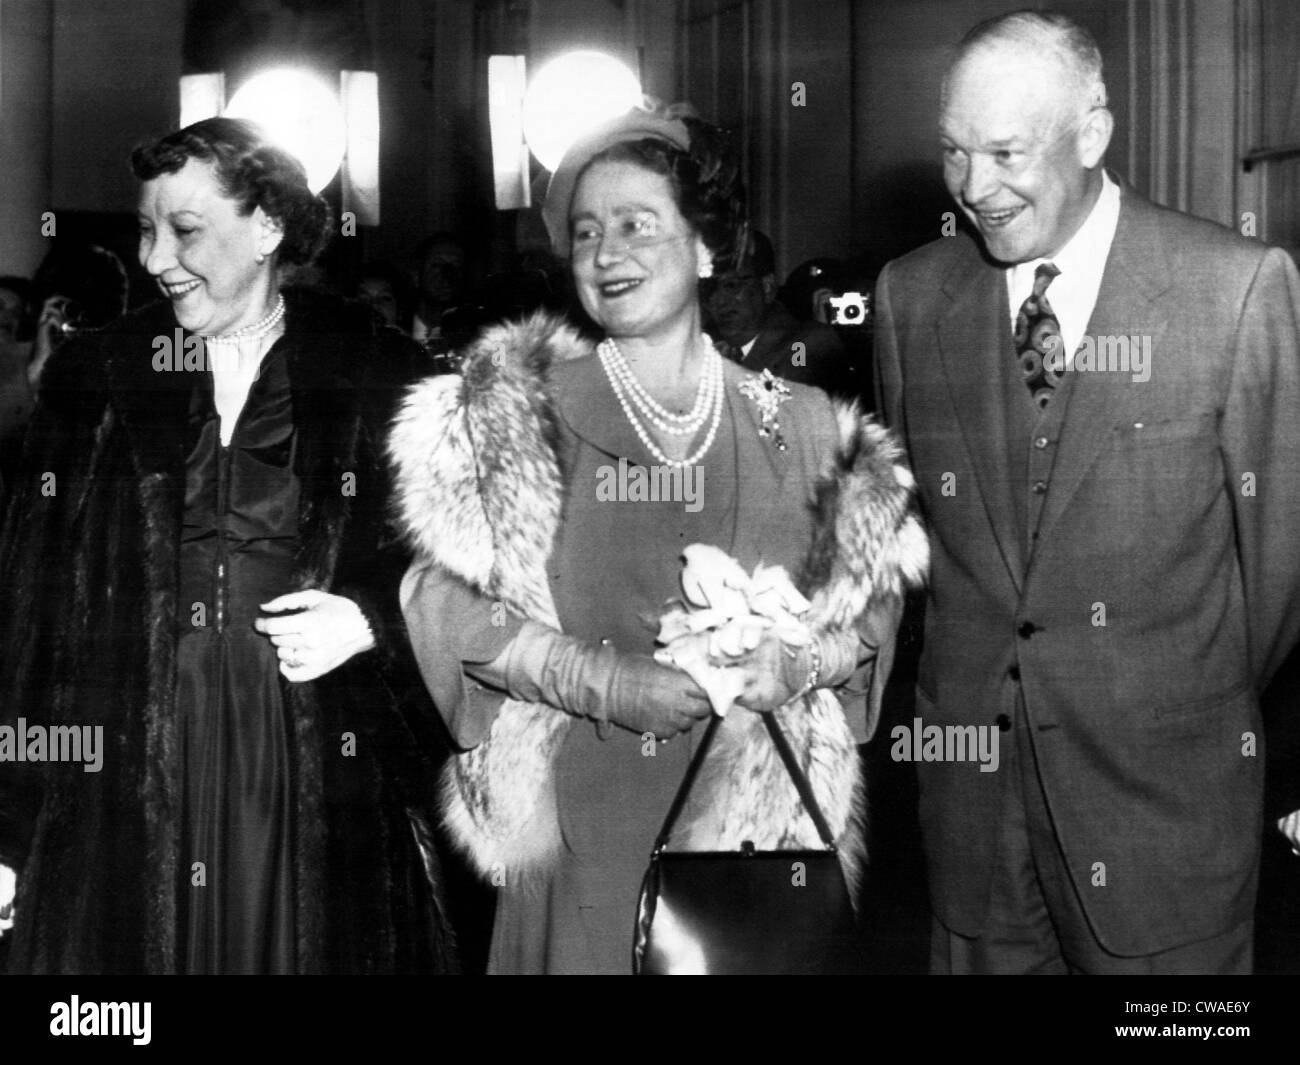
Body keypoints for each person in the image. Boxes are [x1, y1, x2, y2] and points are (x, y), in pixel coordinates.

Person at [390, 102, 927, 974]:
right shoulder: (517, 416)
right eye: (588, 233)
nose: (607, 253)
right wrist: (600, 680)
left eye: (638, 225)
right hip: (579, 829)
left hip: (750, 839)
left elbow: (871, 613)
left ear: (708, 245)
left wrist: (797, 663)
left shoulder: (803, 426)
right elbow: (448, 608)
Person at [874, 10, 1300, 974]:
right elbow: (906, 548)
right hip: (972, 828)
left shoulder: (1233, 291)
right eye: (951, 153)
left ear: (1094, 133)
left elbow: (1280, 578)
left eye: (1005, 152)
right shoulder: (910, 295)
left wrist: (1165, 703)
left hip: (1164, 830)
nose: (974, 189)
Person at [0, 117, 453, 974]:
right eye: (145, 229)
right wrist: (8, 830)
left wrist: (373, 620)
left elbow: (465, 571)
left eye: (185, 231)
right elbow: (32, 619)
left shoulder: (379, 373)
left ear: (268, 227)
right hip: (125, 768)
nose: (154, 259)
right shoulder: (95, 379)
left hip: (312, 754)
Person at [706, 229, 848, 395]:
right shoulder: (713, 354)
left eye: (732, 285)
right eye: (708, 289)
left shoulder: (802, 344)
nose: (718, 300)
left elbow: (792, 390)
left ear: (766, 287)